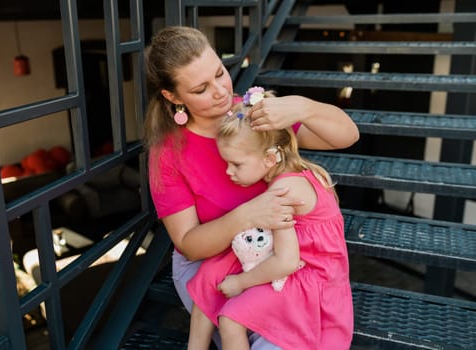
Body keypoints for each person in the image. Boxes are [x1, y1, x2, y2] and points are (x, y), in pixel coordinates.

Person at [144, 26, 359, 349]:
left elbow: (347, 136)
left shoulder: (248, 114)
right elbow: (189, 244)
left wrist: (304, 107)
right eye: (201, 88)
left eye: (220, 73)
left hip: (275, 249)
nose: (219, 91)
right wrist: (247, 215)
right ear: (173, 97)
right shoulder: (168, 153)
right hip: (211, 257)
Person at [186, 88, 353, 350]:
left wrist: (240, 283)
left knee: (230, 319)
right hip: (304, 268)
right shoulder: (302, 173)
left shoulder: (282, 192)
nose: (228, 171)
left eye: (236, 164)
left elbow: (287, 261)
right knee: (211, 271)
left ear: (270, 158)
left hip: (310, 283)